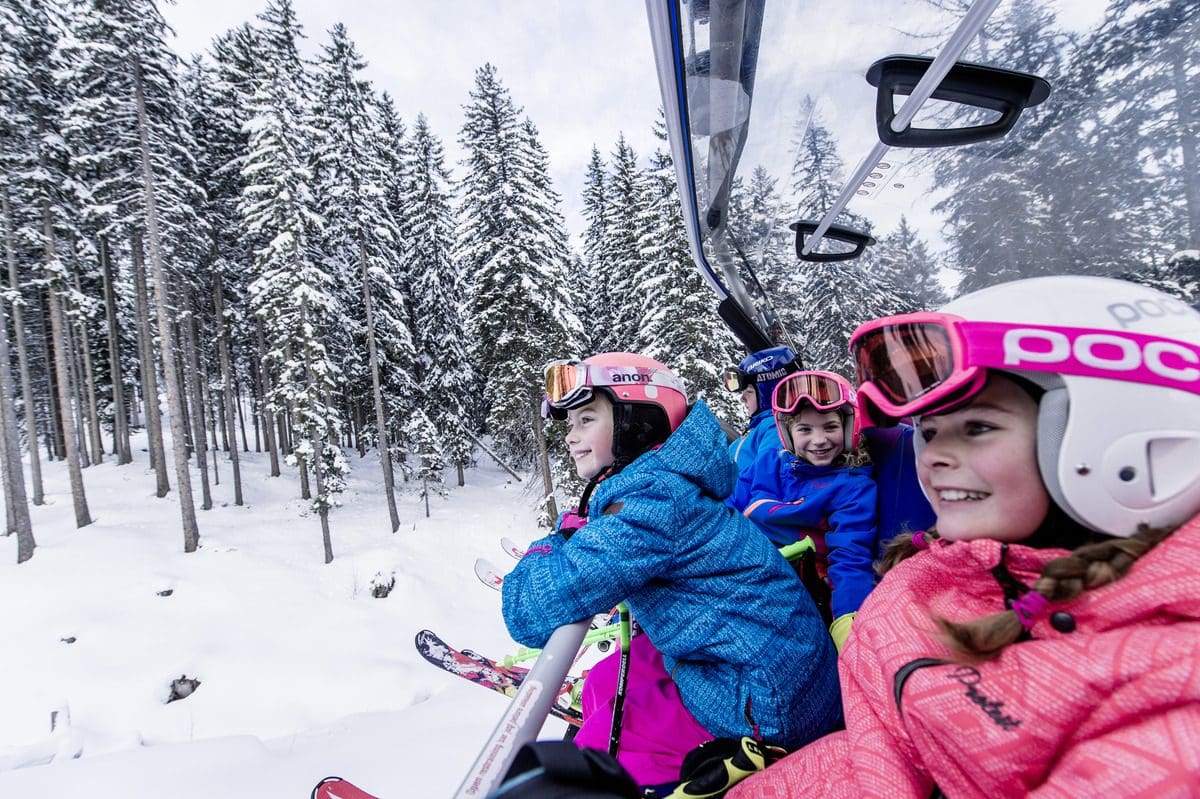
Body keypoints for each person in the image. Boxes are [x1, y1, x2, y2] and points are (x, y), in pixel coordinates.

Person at [730, 275, 1200, 798]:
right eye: (927, 431)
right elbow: (873, 755)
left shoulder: (1167, 687)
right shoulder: (930, 582)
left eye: (977, 427)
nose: (932, 456)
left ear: (1115, 433)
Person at [501, 353, 840, 792]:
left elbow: (527, 611)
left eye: (586, 419)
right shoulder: (665, 481)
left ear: (636, 422)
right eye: (569, 424)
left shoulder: (654, 501)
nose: (571, 436)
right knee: (603, 683)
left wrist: (552, 542)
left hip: (764, 706)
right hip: (774, 673)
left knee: (601, 746)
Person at [740, 370, 878, 650]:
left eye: (830, 427)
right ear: (788, 433)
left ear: (849, 427)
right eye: (805, 430)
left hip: (800, 591)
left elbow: (850, 556)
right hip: (746, 572)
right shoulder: (771, 464)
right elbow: (729, 505)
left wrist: (849, 623)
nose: (819, 440)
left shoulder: (852, 485)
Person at [723, 345, 800, 509]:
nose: (742, 399)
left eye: (749, 392)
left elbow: (763, 480)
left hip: (740, 515)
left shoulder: (775, 428)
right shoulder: (756, 430)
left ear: (769, 391)